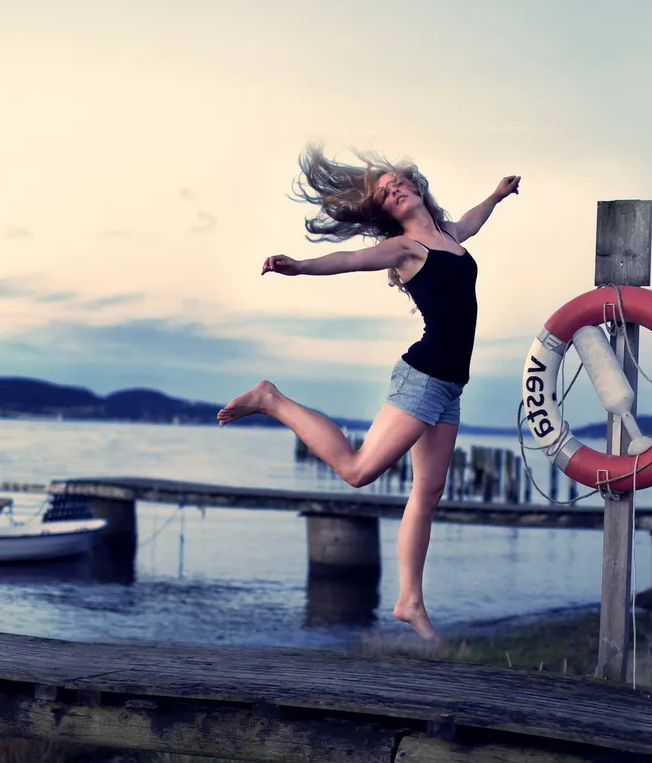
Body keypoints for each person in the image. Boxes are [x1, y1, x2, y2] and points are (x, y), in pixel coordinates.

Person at [218, 144, 520, 642]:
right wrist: (301, 266)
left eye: (398, 182)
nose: (394, 189)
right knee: (358, 471)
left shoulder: (449, 236)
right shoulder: (405, 249)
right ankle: (271, 399)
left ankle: (409, 602)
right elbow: (350, 258)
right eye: (384, 193)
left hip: (449, 386)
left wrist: (496, 194)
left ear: (417, 188)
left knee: (428, 491)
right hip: (422, 377)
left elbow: (473, 220)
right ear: (385, 211)